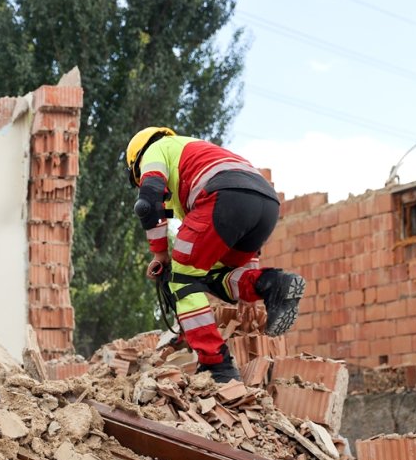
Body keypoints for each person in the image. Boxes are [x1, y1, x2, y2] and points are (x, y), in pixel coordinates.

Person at [125, 126, 305, 383]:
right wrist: (250, 285)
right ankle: (273, 284)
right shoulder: (195, 151)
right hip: (265, 204)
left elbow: (148, 203)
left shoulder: (154, 150)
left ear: (136, 162)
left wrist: (160, 254)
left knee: (181, 279)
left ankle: (217, 365)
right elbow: (219, 222)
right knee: (214, 276)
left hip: (222, 196)